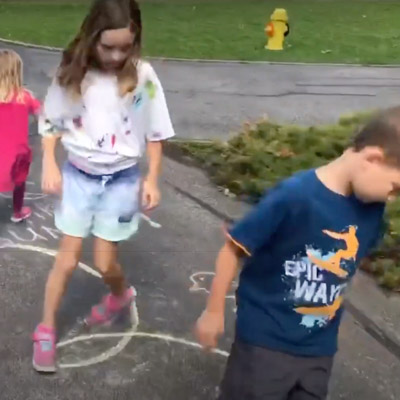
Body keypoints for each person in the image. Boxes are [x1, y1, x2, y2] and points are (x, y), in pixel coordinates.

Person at [195, 107, 400, 399]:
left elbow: (353, 262)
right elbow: (232, 249)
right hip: (264, 343)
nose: (391, 199)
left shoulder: (372, 211)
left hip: (318, 348)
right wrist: (213, 312)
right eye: (395, 188)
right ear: (372, 158)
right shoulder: (294, 196)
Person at [32, 0, 175, 373]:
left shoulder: (141, 77)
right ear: (91, 37)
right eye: (107, 46)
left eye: (124, 47)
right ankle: (45, 330)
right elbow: (51, 122)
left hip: (121, 180)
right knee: (67, 258)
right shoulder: (72, 74)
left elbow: (156, 131)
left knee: (105, 262)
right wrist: (49, 161)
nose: (115, 55)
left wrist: (153, 178)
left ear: (135, 41)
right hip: (79, 176)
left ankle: (119, 295)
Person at [0, 49, 41, 222]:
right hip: (18, 154)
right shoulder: (25, 98)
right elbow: (43, 114)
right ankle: (17, 212)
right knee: (19, 182)